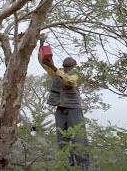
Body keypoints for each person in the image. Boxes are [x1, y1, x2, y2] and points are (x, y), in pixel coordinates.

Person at [38, 38, 90, 169]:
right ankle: (67, 165)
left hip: (73, 108)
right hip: (60, 108)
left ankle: (84, 165)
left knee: (79, 137)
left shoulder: (75, 75)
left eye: (70, 59)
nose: (67, 59)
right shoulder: (56, 72)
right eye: (66, 58)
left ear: (73, 64)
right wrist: (41, 44)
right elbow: (44, 63)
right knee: (61, 138)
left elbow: (68, 81)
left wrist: (53, 66)